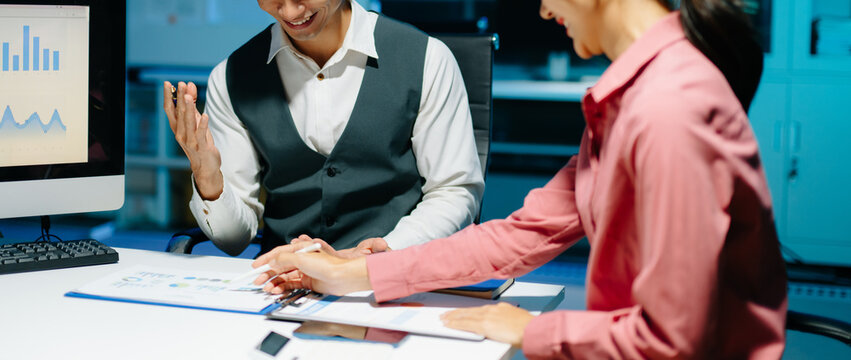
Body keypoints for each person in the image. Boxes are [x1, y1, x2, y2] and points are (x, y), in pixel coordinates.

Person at [251, 0, 789, 358]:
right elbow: (526, 232)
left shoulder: (668, 109)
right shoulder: (637, 95)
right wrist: (355, 272)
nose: (542, 8)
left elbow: (674, 341)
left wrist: (533, 331)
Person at [162, 0, 484, 257]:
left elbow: (454, 192)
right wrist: (208, 177)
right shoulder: (231, 78)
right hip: (284, 289)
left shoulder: (428, 59)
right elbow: (234, 240)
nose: (288, 11)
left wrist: (381, 255)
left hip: (394, 283)